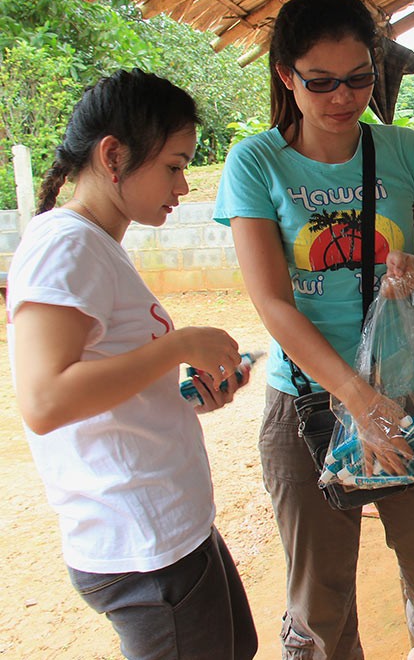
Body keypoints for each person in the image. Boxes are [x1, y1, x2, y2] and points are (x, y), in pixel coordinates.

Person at [213, 0, 414, 660]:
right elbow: (274, 303)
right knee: (320, 607)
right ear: (287, 76)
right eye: (321, 82)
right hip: (310, 407)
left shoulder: (409, 152)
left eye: (357, 79)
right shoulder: (255, 163)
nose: (342, 98)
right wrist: (357, 398)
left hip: (408, 400)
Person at [6, 69, 257, 659]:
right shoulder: (67, 244)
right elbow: (45, 401)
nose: (184, 184)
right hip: (140, 542)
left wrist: (187, 391)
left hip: (167, 527)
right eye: (174, 165)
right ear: (113, 156)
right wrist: (177, 346)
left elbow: (112, 387)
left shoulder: (93, 245)